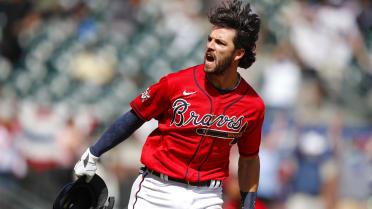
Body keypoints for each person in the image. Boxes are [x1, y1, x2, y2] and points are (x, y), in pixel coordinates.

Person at [74, 0, 264, 208]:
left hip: (207, 196)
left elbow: (249, 159)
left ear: (238, 53)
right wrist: (94, 152)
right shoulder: (176, 84)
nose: (210, 45)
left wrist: (248, 206)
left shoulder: (252, 105)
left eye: (220, 43)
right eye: (210, 39)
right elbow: (134, 117)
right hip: (157, 190)